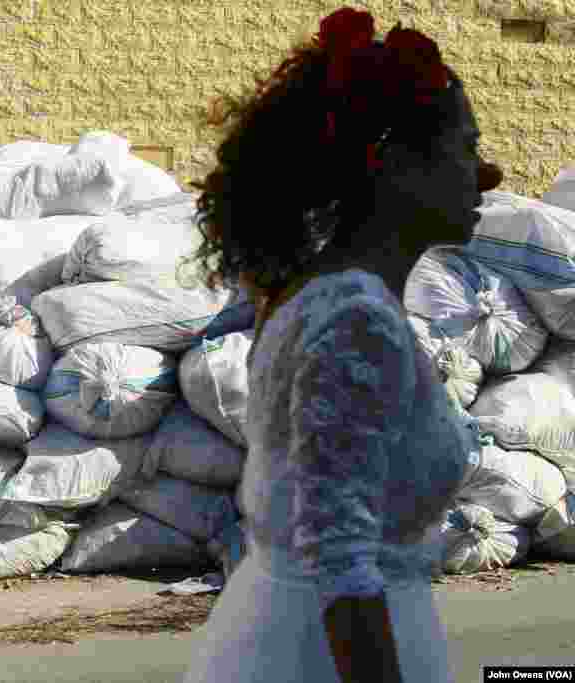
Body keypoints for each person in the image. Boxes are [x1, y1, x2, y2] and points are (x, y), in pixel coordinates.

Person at [182, 8, 503, 683]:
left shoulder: (322, 295)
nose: (486, 175)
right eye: (464, 149)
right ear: (393, 164)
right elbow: (342, 562)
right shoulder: (357, 320)